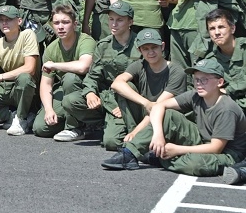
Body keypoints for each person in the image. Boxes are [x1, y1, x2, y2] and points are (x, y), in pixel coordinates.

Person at [103, 58, 246, 178]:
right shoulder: (195, 95)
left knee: (195, 164)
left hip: (226, 153)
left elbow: (215, 148)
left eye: (205, 80)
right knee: (167, 114)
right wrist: (158, 135)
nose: (199, 84)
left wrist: (177, 149)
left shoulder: (227, 109)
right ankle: (130, 153)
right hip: (200, 139)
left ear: (220, 82)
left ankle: (160, 158)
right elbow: (158, 106)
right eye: (196, 80)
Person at [64, 1, 141, 149]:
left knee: (111, 143)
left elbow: (148, 82)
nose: (113, 24)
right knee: (70, 101)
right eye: (111, 19)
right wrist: (90, 92)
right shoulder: (103, 45)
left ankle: (127, 126)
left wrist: (127, 105)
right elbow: (93, 75)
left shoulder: (140, 45)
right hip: (108, 98)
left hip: (131, 100)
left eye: (119, 20)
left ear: (130, 22)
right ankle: (102, 123)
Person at [110, 28, 186, 150]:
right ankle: (133, 137)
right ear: (139, 50)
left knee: (135, 138)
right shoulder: (139, 65)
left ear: (162, 46)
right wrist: (145, 103)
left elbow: (156, 108)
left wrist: (136, 132)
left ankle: (136, 140)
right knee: (111, 141)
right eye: (145, 49)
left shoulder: (176, 71)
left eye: (154, 47)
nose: (150, 52)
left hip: (162, 117)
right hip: (144, 111)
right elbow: (116, 84)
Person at [31, 5, 95, 140]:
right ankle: (77, 122)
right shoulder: (51, 49)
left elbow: (83, 67)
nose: (60, 27)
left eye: (65, 22)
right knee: (41, 128)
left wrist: (55, 65)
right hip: (64, 91)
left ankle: (76, 128)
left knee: (70, 78)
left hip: (87, 91)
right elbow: (46, 83)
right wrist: (48, 109)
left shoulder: (86, 41)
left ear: (75, 24)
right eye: (56, 23)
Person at [0, 5, 39, 136]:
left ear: (19, 21)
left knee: (24, 78)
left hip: (28, 88)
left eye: (8, 19)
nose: (4, 23)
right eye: (1, 20)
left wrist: (1, 77)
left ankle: (21, 119)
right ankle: (11, 116)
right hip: (8, 88)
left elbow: (30, 69)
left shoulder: (27, 35)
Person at [203, 8, 245, 110]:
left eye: (221, 27)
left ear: (233, 29)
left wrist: (228, 90)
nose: (217, 32)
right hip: (232, 109)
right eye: (212, 29)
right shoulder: (211, 60)